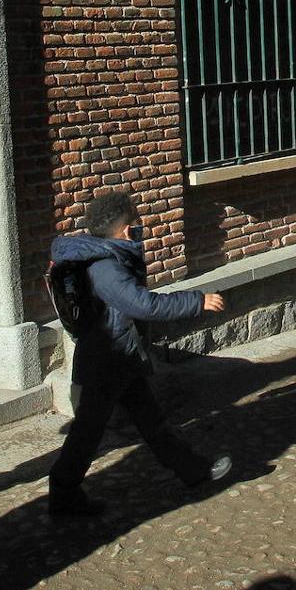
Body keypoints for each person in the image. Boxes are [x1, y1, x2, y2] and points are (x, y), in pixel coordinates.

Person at [47, 190, 231, 517]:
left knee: (151, 422)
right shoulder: (105, 267)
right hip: (107, 361)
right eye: (135, 223)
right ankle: (63, 493)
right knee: (88, 433)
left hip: (120, 356)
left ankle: (192, 470)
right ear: (125, 230)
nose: (139, 228)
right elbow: (141, 305)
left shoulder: (107, 255)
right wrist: (196, 301)